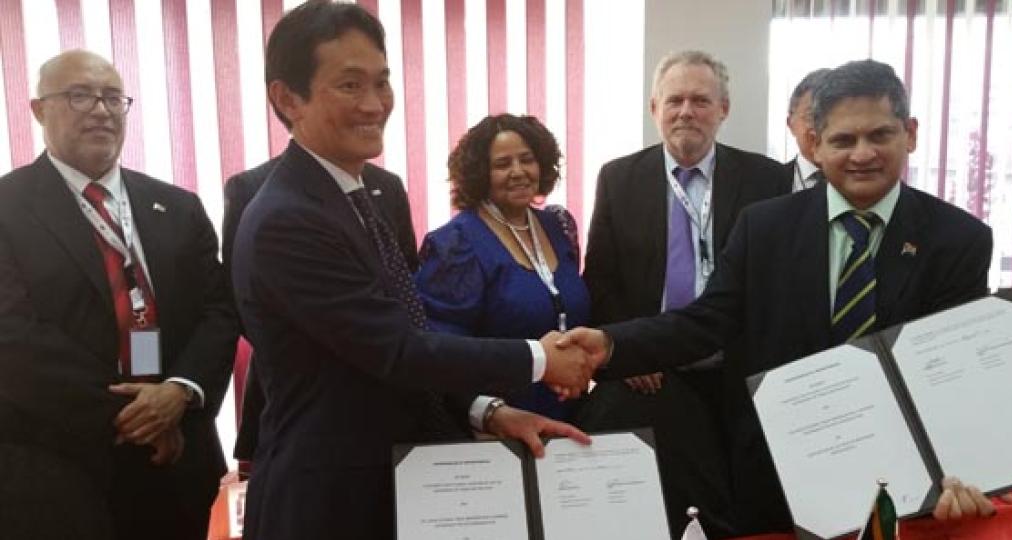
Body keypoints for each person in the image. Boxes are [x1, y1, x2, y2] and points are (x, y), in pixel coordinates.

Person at [562, 59, 999, 537]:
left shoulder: (959, 239)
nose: (862, 154)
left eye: (880, 135)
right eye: (843, 140)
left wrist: (965, 466)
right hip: (779, 469)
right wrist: (611, 345)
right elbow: (705, 323)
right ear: (814, 143)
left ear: (910, 134)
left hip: (904, 481)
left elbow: (953, 371)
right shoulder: (765, 226)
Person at [231, 4, 596, 539]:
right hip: (328, 500)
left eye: (382, 82)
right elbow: (396, 351)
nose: (375, 104)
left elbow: (410, 329)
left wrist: (486, 411)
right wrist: (541, 358)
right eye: (350, 85)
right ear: (288, 98)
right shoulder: (287, 218)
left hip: (396, 480)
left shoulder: (369, 197)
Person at [0, 50, 237, 540]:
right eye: (79, 96)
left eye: (112, 97)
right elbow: (13, 337)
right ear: (39, 110)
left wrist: (179, 392)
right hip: (59, 469)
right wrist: (138, 417)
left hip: (176, 465)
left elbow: (219, 310)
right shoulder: (8, 207)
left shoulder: (178, 206)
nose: (101, 110)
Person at [578, 49, 789, 538]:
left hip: (739, 368)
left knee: (745, 506)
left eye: (700, 100)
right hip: (656, 372)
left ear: (724, 109)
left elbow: (777, 279)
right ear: (655, 109)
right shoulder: (619, 178)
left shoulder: (767, 178)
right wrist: (631, 350)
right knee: (672, 506)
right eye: (674, 100)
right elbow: (602, 280)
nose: (686, 112)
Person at [222, 156, 418, 464]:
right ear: (290, 106)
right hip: (308, 404)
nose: (372, 107)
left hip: (393, 397)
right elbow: (241, 298)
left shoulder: (386, 185)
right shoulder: (255, 189)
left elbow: (407, 280)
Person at [416, 114, 590, 421]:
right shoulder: (456, 243)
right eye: (502, 164)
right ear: (480, 174)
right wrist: (486, 412)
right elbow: (442, 346)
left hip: (574, 409)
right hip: (500, 420)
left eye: (527, 159)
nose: (518, 172)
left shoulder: (558, 226)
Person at [785, 68, 831, 192]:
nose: (821, 126)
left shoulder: (866, 183)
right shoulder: (763, 182)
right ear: (790, 124)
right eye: (812, 116)